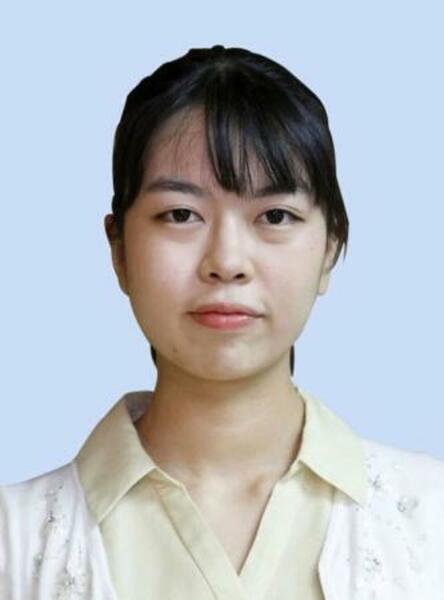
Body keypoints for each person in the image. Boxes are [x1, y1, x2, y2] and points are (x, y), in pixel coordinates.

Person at [1, 44, 444, 599]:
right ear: (119, 250)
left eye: (275, 215)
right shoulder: (13, 543)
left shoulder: (431, 519)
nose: (227, 261)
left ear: (330, 247)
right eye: (181, 215)